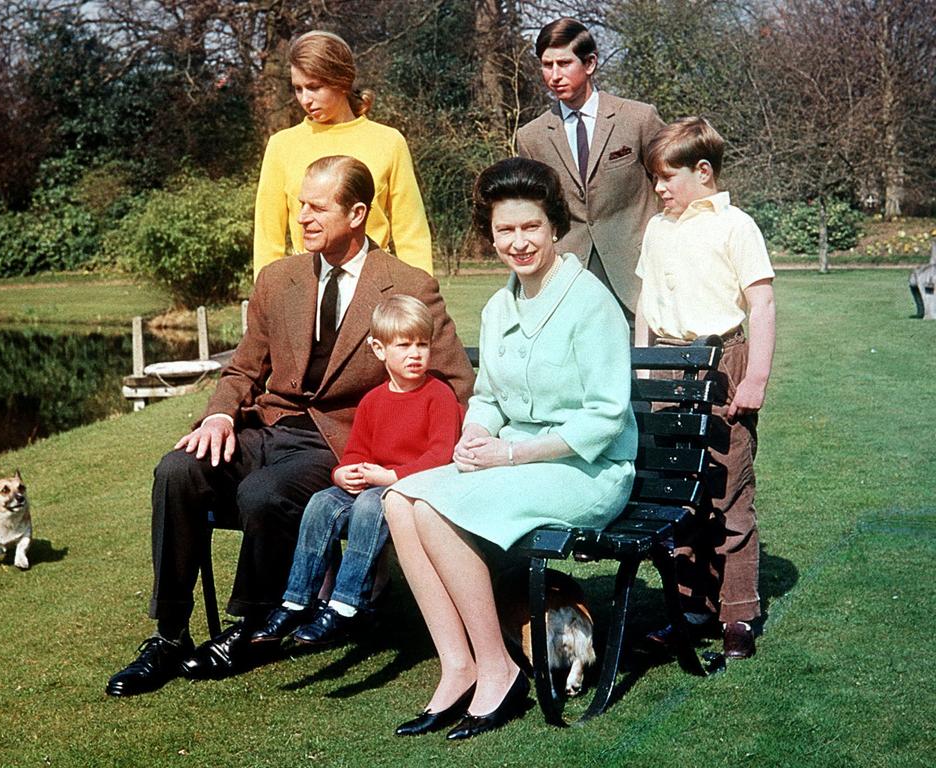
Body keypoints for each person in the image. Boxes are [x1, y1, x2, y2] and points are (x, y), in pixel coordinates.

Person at [105, 155, 474, 697]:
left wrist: (396, 462)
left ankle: (254, 628)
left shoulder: (407, 284)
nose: (301, 216)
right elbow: (244, 366)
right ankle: (169, 633)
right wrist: (218, 414)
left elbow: (453, 383)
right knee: (177, 470)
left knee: (265, 493)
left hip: (344, 442)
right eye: (300, 204)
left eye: (316, 206)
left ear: (356, 213)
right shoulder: (278, 279)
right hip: (268, 426)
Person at [382, 158, 637, 740]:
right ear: (490, 234)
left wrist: (512, 456)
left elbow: (604, 418)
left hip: (588, 470)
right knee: (401, 499)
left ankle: (498, 668)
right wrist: (476, 434)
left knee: (437, 510)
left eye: (529, 227)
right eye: (504, 231)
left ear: (554, 227)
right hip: (514, 461)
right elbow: (491, 396)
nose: (518, 243)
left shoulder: (589, 301)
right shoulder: (499, 308)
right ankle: (459, 664)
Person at [634, 116, 776, 659]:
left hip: (722, 362)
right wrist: (645, 371)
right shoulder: (657, 228)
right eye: (654, 179)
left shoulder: (736, 226)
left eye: (667, 177)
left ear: (704, 171)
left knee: (727, 492)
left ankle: (739, 611)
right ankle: (692, 606)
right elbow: (646, 304)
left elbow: (761, 303)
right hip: (667, 364)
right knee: (679, 494)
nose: (659, 189)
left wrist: (756, 378)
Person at [248, 295, 462, 648]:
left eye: (422, 344)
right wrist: (343, 473)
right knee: (322, 502)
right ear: (379, 349)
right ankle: (298, 599)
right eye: (404, 345)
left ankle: (347, 604)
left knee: (368, 505)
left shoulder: (438, 396)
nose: (415, 354)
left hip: (414, 490)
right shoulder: (373, 401)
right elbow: (355, 452)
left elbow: (440, 457)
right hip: (374, 483)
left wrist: (389, 478)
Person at [515, 17, 664, 322]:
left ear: (590, 63)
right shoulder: (531, 138)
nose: (554, 75)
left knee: (646, 369)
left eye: (564, 63)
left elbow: (672, 185)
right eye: (547, 65)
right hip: (569, 280)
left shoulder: (638, 119)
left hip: (639, 276)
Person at [253, 30, 432, 279]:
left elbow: (411, 233)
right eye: (298, 88)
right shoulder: (282, 145)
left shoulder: (389, 141)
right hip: (308, 285)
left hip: (375, 283)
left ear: (342, 81)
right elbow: (267, 239)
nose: (305, 99)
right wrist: (268, 300)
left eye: (314, 87)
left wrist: (419, 298)